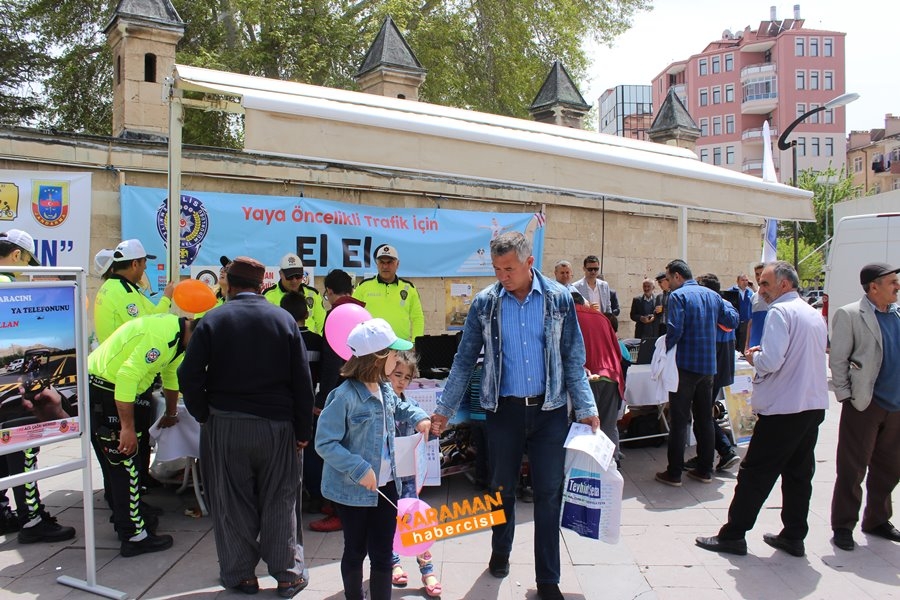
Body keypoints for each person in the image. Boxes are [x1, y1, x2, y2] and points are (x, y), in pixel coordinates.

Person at [430, 232, 599, 600]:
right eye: (497, 269)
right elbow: (463, 361)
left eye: (509, 268)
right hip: (503, 411)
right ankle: (500, 553)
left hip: (549, 411)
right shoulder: (485, 304)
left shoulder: (558, 298)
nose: (502, 276)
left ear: (529, 263)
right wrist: (443, 411)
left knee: (548, 493)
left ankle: (549, 578)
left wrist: (586, 408)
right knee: (500, 489)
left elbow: (573, 356)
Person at [178, 257, 314, 597]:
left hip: (226, 425)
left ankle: (240, 575)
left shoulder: (213, 319)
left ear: (229, 284)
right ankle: (287, 574)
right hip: (277, 427)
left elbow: (187, 375)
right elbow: (302, 380)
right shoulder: (283, 319)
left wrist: (203, 414)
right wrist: (302, 431)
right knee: (281, 499)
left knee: (231, 502)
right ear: (259, 285)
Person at [696, 261, 828, 558]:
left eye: (766, 283)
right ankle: (794, 535)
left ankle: (733, 535)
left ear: (784, 284)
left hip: (784, 409)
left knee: (755, 473)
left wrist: (755, 355)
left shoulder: (780, 312)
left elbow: (771, 362)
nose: (761, 289)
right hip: (810, 405)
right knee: (798, 474)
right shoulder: (811, 313)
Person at [315, 318, 431, 600]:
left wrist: (420, 419)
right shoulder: (342, 397)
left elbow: (402, 407)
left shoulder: (385, 388)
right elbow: (325, 442)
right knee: (355, 550)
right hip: (352, 490)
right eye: (393, 354)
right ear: (379, 358)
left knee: (382, 552)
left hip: (386, 484)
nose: (397, 359)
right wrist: (358, 468)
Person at [87, 309, 205, 556]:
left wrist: (172, 412)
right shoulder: (162, 338)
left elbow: (171, 374)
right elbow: (127, 376)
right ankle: (134, 536)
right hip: (109, 391)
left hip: (113, 389)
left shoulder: (178, 334)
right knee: (126, 462)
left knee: (123, 466)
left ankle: (128, 519)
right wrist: (127, 428)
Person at [0, 229, 76, 543]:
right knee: (24, 451)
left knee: (5, 453)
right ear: (17, 255)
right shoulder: (8, 287)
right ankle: (32, 520)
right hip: (14, 393)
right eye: (28, 260)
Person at [829, 262, 900, 551]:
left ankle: (877, 520)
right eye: (892, 282)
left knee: (890, 468)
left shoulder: (897, 315)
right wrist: (846, 396)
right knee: (852, 467)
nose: (897, 286)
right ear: (873, 287)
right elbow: (838, 359)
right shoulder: (850, 314)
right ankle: (843, 525)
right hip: (865, 404)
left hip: (896, 406)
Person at [655, 259, 738, 487]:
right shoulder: (712, 296)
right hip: (708, 367)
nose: (668, 284)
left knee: (680, 421)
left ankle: (674, 472)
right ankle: (704, 469)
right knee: (704, 419)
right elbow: (732, 320)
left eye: (669, 279)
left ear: (678, 276)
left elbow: (675, 329)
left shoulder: (678, 296)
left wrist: (666, 347)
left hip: (685, 366)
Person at [308, 269, 366, 533]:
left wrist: (322, 399)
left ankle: (338, 510)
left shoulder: (336, 315)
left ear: (329, 292)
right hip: (363, 390)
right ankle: (343, 507)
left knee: (333, 452)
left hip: (340, 394)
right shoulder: (364, 315)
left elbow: (332, 363)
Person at [387, 351, 442, 598]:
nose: (401, 381)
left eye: (406, 377)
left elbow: (429, 429)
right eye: (397, 375)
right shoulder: (380, 405)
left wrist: (433, 426)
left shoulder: (413, 406)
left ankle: (427, 569)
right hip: (386, 477)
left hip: (409, 477)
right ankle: (393, 563)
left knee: (415, 522)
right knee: (387, 523)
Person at [687, 273, 740, 472]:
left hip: (711, 364)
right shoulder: (726, 305)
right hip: (721, 363)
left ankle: (725, 451)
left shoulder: (712, 305)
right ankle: (704, 455)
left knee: (703, 414)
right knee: (703, 412)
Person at [572, 291, 625, 463]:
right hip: (611, 376)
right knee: (608, 427)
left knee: (584, 429)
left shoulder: (570, 317)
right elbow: (617, 351)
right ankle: (611, 465)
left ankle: (585, 471)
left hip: (586, 378)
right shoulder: (601, 317)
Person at [93, 239, 175, 343]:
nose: (145, 267)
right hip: (123, 357)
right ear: (135, 264)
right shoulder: (124, 292)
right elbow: (147, 328)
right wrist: (166, 298)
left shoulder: (110, 285)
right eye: (144, 262)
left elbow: (147, 315)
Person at [352, 244, 424, 343]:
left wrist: (416, 342)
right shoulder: (363, 286)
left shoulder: (409, 288)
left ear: (397, 264)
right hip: (371, 346)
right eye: (381, 262)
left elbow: (417, 318)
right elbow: (353, 316)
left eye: (390, 262)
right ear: (377, 264)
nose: (385, 266)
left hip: (400, 346)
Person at [264, 252, 327, 335]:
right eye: (289, 277)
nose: (294, 280)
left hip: (309, 343)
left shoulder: (313, 294)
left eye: (298, 276)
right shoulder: (268, 295)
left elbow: (321, 324)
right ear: (280, 274)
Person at [728, 273, 753, 353]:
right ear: (737, 281)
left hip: (746, 321)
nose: (745, 282)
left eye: (746, 280)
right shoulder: (731, 291)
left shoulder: (750, 293)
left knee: (744, 341)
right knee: (734, 341)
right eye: (742, 280)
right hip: (735, 320)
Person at [746, 263, 768, 352]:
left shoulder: (776, 296)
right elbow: (751, 322)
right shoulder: (753, 297)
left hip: (770, 346)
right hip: (754, 347)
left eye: (761, 273)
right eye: (757, 274)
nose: (759, 277)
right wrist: (747, 346)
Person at [654, 271, 670, 336]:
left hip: (670, 326)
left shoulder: (675, 295)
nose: (659, 285)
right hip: (661, 327)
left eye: (660, 282)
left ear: (667, 280)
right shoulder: (659, 296)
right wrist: (656, 311)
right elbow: (655, 313)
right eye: (658, 283)